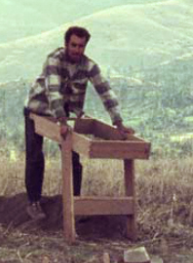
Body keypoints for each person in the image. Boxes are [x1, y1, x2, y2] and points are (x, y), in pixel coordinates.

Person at [24, 26, 134, 220]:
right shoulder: (54, 60)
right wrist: (62, 120)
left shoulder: (88, 66)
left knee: (73, 157)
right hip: (38, 109)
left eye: (81, 46)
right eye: (73, 45)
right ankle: (33, 203)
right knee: (35, 156)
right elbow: (53, 91)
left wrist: (118, 121)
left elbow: (105, 91)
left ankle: (74, 204)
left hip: (63, 112)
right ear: (66, 44)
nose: (77, 49)